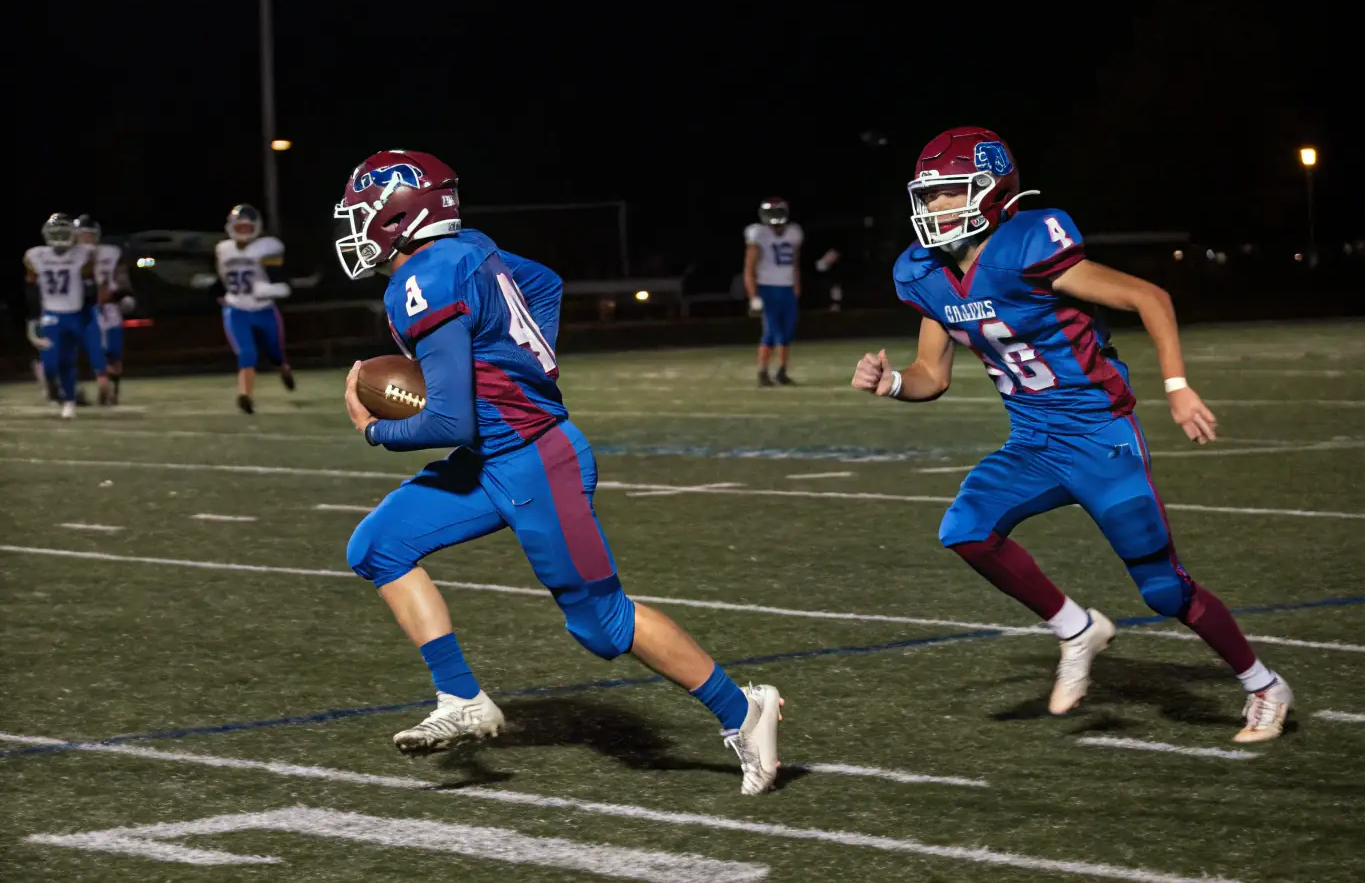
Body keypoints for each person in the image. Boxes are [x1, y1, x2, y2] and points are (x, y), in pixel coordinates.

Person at [335, 150, 783, 794]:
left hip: (537, 459)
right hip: (496, 455)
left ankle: (745, 711)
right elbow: (543, 282)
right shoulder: (469, 249)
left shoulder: (425, 279)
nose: (353, 227)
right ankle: (461, 697)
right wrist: (528, 365)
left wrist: (373, 428)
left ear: (401, 212)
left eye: (361, 212)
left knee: (603, 626)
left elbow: (447, 426)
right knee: (377, 547)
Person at [851, 126, 1292, 743]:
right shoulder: (924, 273)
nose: (936, 207)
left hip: (1100, 437)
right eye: (929, 195)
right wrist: (891, 382)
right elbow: (932, 375)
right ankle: (1075, 627)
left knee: (1164, 590)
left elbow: (1150, 298)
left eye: (951, 193)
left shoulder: (1028, 244)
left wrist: (1177, 387)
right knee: (965, 529)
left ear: (990, 192)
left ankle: (1264, 684)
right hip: (1033, 442)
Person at [214, 204, 295, 414]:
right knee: (246, 353)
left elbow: (280, 281)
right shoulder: (223, 249)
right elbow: (222, 278)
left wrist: (270, 289)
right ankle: (245, 396)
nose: (243, 231)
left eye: (247, 228)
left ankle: (284, 369)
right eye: (239, 227)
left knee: (276, 353)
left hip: (264, 308)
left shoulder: (267, 247)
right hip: (236, 308)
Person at [23, 214, 105, 418]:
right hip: (51, 314)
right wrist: (33, 317)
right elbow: (32, 288)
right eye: (55, 232)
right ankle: (54, 388)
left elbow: (90, 284)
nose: (59, 237)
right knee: (50, 365)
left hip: (75, 314)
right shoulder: (36, 256)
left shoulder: (83, 254)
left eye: (63, 232)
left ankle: (69, 401)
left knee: (68, 361)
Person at [74, 215, 134, 405]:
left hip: (111, 309)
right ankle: (102, 386)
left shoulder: (112, 252)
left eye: (90, 234)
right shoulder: (70, 256)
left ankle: (112, 391)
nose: (87, 238)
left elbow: (121, 276)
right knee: (97, 350)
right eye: (83, 235)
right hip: (88, 308)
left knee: (115, 353)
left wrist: (125, 295)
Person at [743, 197, 803, 386]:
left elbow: (795, 263)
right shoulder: (758, 233)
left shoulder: (794, 232)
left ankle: (781, 372)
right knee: (772, 332)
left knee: (786, 332)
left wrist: (796, 286)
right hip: (767, 289)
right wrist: (753, 297)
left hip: (786, 289)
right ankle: (762, 373)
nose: (775, 217)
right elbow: (749, 269)